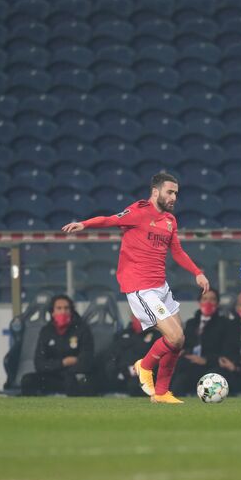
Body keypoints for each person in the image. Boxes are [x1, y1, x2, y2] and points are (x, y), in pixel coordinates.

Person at [62, 172, 209, 404]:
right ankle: (145, 365)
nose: (173, 197)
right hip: (142, 288)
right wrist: (84, 224)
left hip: (161, 286)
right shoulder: (138, 212)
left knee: (179, 341)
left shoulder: (170, 220)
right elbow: (109, 219)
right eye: (169, 192)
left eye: (176, 194)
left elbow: (177, 251)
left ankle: (161, 393)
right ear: (155, 192)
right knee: (174, 336)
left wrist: (197, 273)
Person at [20, 294, 97, 396]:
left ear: (71, 311)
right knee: (28, 380)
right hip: (53, 376)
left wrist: (71, 369)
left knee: (80, 381)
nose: (63, 312)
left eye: (66, 308)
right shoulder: (46, 331)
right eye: (59, 308)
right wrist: (62, 363)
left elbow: (87, 359)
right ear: (53, 312)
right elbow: (39, 364)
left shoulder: (82, 329)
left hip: (73, 376)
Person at [170, 289, 231, 397]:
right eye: (205, 299)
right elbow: (186, 345)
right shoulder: (191, 323)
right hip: (190, 365)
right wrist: (183, 352)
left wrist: (205, 360)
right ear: (199, 302)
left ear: (217, 303)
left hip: (211, 366)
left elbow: (226, 352)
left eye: (212, 299)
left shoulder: (225, 324)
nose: (208, 302)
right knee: (178, 375)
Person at [101, 314, 158, 396]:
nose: (139, 320)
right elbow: (112, 354)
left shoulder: (155, 335)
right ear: (132, 317)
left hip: (141, 375)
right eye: (136, 317)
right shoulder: (123, 334)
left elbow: (157, 359)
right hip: (120, 372)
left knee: (134, 385)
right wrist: (116, 369)